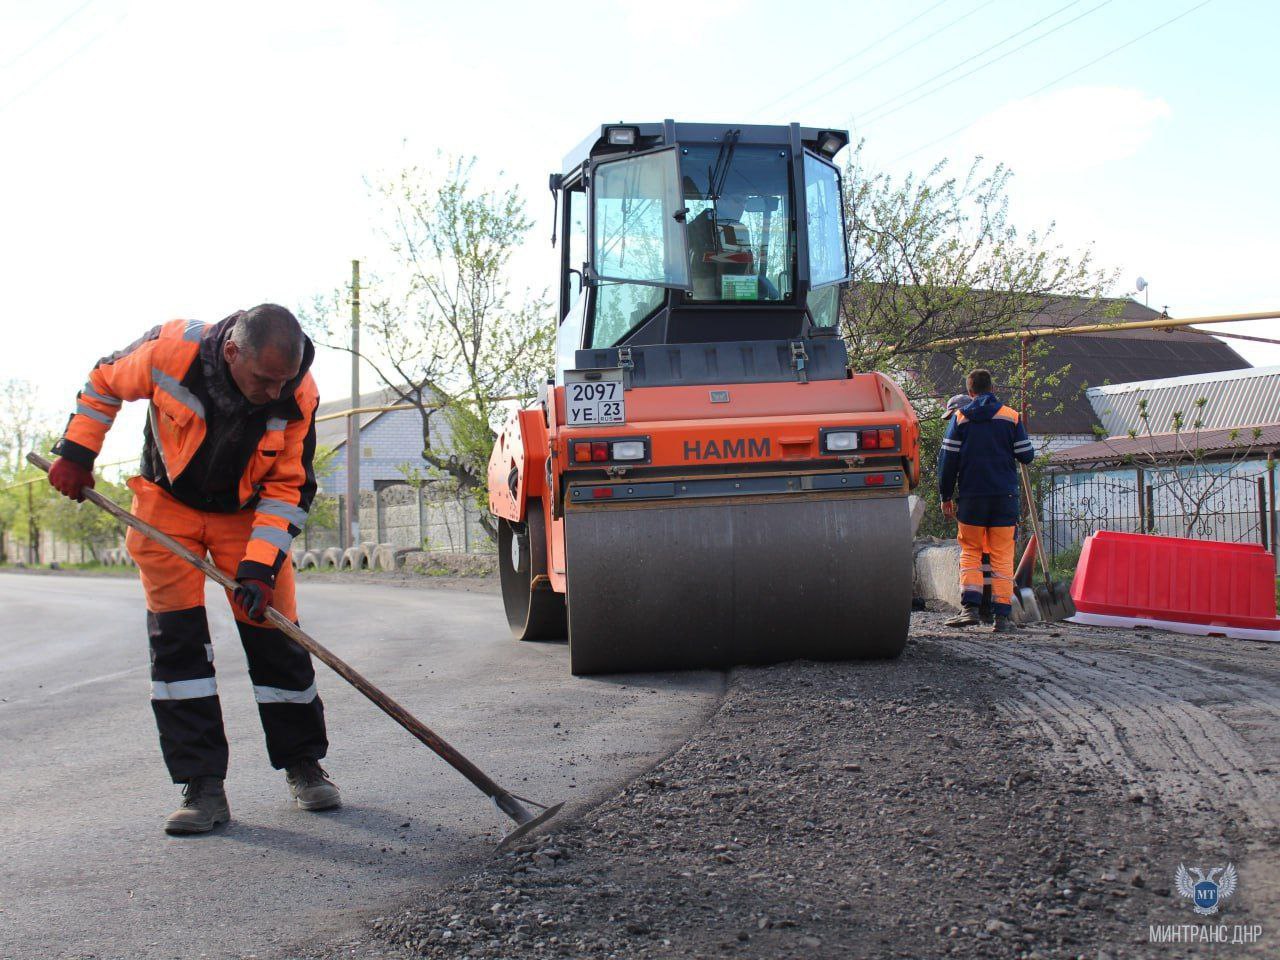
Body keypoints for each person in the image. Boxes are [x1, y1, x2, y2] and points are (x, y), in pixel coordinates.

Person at [47, 305, 339, 834]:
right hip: (168, 509)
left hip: (247, 516)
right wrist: (76, 452)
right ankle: (202, 786)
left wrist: (259, 567)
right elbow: (102, 383)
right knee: (179, 646)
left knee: (276, 635)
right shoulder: (170, 351)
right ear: (232, 352)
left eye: (283, 380)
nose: (274, 392)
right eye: (264, 379)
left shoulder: (298, 394)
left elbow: (289, 486)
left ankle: (304, 766)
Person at [937, 369, 1035, 633]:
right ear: (993, 388)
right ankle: (1002, 617)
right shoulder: (1011, 417)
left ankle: (969, 608)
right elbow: (1026, 456)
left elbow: (947, 462)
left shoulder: (960, 418)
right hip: (1005, 498)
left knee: (970, 551)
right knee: (1002, 556)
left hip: (972, 499)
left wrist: (945, 496)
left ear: (970, 393)